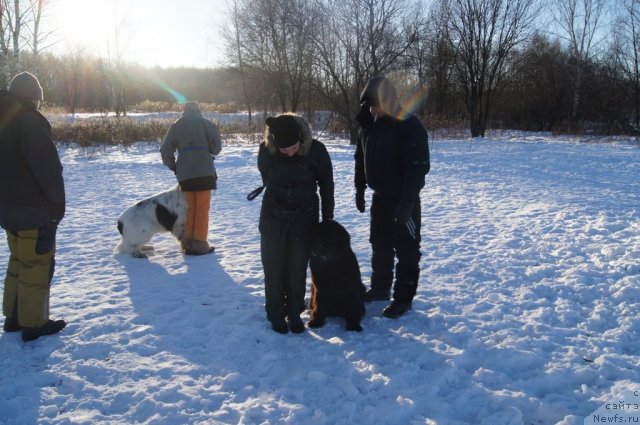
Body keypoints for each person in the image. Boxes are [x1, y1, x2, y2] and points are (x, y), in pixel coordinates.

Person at [354, 76, 430, 318]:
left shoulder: (409, 126)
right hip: (380, 198)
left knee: (407, 251)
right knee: (380, 245)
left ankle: (403, 299)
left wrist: (407, 203)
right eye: (369, 106)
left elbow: (418, 168)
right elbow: (360, 159)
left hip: (402, 199)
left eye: (375, 104)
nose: (372, 110)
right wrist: (359, 188)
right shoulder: (368, 125)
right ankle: (380, 288)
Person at [0, 71, 67, 341]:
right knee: (37, 264)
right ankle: (34, 323)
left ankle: (13, 318)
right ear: (32, 99)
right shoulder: (29, 123)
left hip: (8, 210)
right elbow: (49, 170)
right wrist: (57, 207)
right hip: (34, 210)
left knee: (18, 262)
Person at [258, 113, 334, 334]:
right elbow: (266, 176)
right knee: (273, 268)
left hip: (304, 219)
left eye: (293, 148)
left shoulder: (316, 150)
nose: (290, 153)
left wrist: (327, 218)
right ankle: (275, 313)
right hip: (273, 218)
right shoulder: (266, 150)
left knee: (296, 268)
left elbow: (326, 184)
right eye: (284, 150)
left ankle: (293, 312)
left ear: (301, 139)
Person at [161, 101, 222, 255]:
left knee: (189, 208)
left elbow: (165, 149)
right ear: (198, 110)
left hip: (185, 173)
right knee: (202, 208)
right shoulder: (204, 123)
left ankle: (187, 242)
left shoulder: (175, 126)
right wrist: (210, 156)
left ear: (184, 111)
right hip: (204, 171)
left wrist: (173, 166)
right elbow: (217, 144)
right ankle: (200, 243)